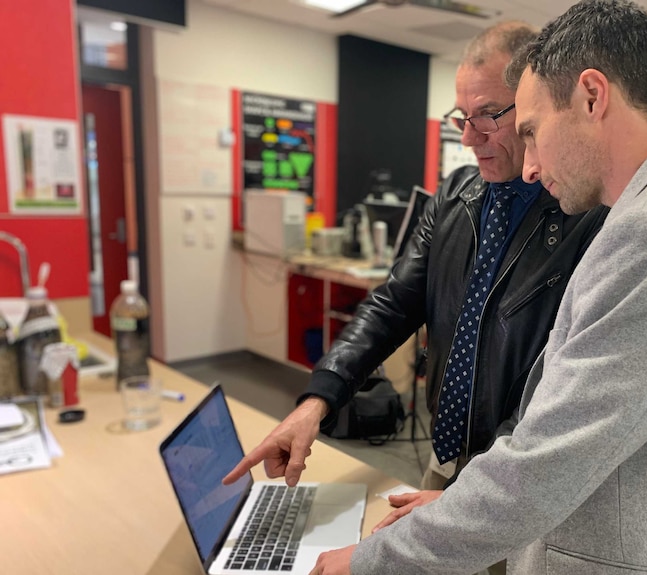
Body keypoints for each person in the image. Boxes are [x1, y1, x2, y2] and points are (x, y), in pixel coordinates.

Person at [308, 1, 647, 574]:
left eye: (532, 131)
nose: (530, 167)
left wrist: (366, 563)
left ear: (592, 97)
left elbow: (543, 467)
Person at [224, 15, 607, 537]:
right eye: (461, 118)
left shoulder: (583, 214)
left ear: (534, 106)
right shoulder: (455, 195)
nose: (471, 138)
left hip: (515, 479)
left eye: (489, 115)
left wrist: (477, 494)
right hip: (444, 457)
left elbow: (564, 385)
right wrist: (317, 401)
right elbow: (391, 305)